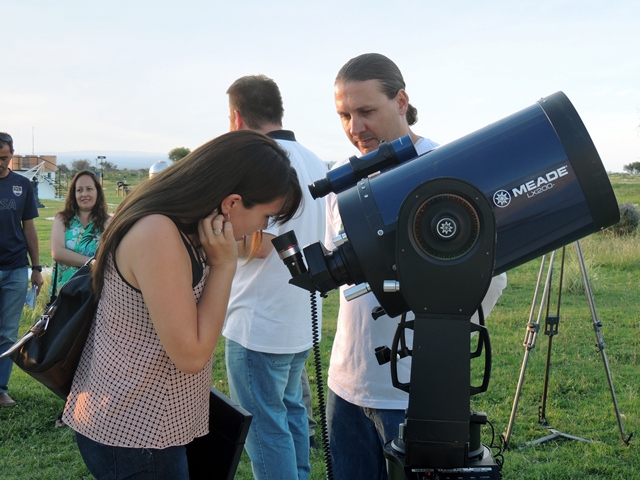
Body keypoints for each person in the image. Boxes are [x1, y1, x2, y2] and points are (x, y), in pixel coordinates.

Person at [61, 131, 302, 480]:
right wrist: (223, 266)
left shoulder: (178, 226)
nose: (263, 228)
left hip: (149, 422)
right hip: (135, 432)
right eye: (267, 216)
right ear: (232, 203)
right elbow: (191, 355)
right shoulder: (158, 233)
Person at [325, 53, 508, 480]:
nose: (355, 128)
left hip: (413, 390)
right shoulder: (342, 178)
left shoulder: (446, 171)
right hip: (346, 383)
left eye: (367, 111)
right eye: (344, 115)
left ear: (402, 100)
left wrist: (436, 336)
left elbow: (489, 277)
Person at [222, 75, 327, 480]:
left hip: (259, 320)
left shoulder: (258, 160)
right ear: (278, 110)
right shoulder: (313, 158)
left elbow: (258, 243)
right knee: (292, 415)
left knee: (266, 430)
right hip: (300, 314)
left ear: (236, 117)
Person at [0, 131, 44, 408]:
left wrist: (37, 268)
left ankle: (1, 389)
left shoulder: (21, 186)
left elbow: (29, 228)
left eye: (4, 158)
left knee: (7, 333)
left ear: (11, 156)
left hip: (16, 269)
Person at [50, 170, 110, 295]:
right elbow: (58, 253)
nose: (84, 194)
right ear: (73, 194)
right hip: (64, 293)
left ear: (97, 192)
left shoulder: (108, 222)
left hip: (95, 293)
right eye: (79, 190)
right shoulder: (62, 219)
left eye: (89, 189)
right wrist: (91, 262)